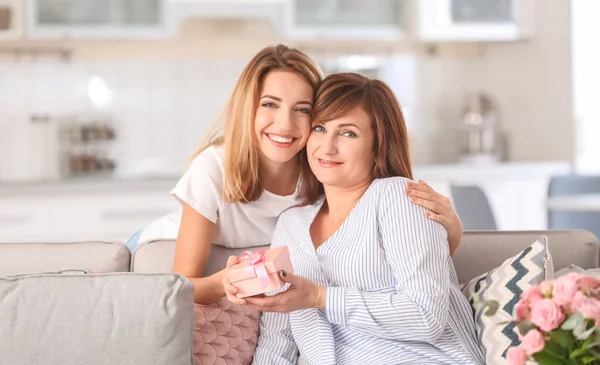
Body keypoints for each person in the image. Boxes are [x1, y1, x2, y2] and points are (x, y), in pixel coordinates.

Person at [230, 73, 493, 365]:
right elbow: (277, 344)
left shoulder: (398, 197)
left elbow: (426, 316)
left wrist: (320, 298)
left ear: (378, 145)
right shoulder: (291, 225)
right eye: (320, 128)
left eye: (348, 133)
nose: (328, 146)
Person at [134, 44, 464, 305]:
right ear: (248, 107)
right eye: (270, 104)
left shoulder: (321, 167)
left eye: (302, 110)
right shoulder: (214, 167)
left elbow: (386, 259)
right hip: (162, 248)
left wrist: (453, 232)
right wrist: (223, 282)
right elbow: (183, 284)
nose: (285, 124)